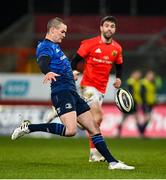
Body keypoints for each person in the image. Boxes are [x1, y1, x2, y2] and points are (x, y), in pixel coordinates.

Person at [11, 17, 134, 170]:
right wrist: (47, 71)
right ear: (53, 30)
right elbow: (43, 61)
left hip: (72, 92)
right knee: (71, 131)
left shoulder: (56, 46)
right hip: (61, 92)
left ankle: (113, 162)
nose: (64, 35)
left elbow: (62, 65)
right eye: (62, 32)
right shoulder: (45, 46)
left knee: (94, 127)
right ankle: (29, 127)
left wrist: (71, 73)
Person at [71, 16, 123, 162]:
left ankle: (93, 153)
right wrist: (74, 70)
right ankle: (75, 118)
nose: (109, 28)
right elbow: (75, 60)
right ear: (101, 28)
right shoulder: (90, 44)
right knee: (98, 116)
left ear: (115, 29)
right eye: (106, 26)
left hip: (101, 89)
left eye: (112, 26)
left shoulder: (117, 48)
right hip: (87, 85)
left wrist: (118, 78)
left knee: (95, 122)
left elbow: (119, 65)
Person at [118, 70, 143, 137]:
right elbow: (130, 92)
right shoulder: (131, 81)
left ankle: (118, 132)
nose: (138, 76)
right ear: (133, 74)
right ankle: (141, 133)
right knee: (135, 117)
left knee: (126, 117)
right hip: (130, 102)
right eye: (137, 74)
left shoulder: (138, 82)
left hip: (134, 102)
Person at [139, 70, 157, 136]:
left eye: (152, 75)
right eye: (150, 75)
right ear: (147, 75)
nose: (151, 77)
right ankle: (141, 131)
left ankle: (142, 132)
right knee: (148, 118)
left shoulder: (152, 83)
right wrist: (144, 102)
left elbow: (152, 93)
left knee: (147, 119)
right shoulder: (144, 83)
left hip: (151, 103)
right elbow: (142, 93)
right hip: (145, 103)